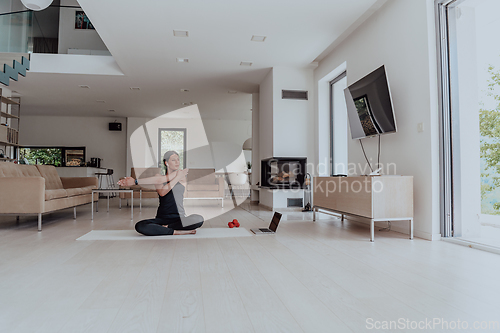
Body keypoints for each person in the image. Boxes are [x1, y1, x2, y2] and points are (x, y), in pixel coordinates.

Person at [117, 151, 204, 236]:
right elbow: (163, 192)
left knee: (198, 219)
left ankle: (167, 228)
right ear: (166, 163)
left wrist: (135, 181)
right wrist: (177, 177)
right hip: (162, 218)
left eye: (178, 159)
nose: (177, 162)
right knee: (140, 226)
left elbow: (166, 179)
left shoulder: (181, 176)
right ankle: (176, 232)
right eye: (173, 160)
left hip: (179, 219)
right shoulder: (160, 177)